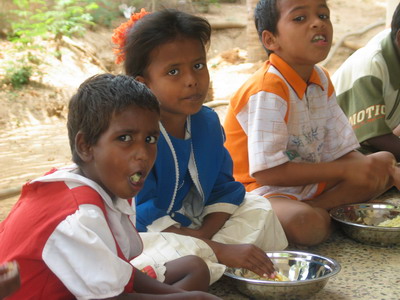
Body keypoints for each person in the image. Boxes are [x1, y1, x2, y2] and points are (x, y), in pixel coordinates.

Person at [0, 74, 221, 300]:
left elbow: (120, 273)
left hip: (87, 288)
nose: (143, 154)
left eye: (150, 139)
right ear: (86, 146)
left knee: (194, 268)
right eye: (125, 138)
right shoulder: (78, 216)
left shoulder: (95, 183)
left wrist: (180, 295)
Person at [112, 8, 288, 284]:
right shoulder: (136, 138)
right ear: (144, 84)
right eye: (173, 71)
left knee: (260, 210)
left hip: (196, 228)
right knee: (149, 254)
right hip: (146, 232)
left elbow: (224, 187)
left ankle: (208, 265)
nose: (192, 80)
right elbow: (140, 213)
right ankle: (216, 262)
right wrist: (215, 246)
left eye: (198, 65)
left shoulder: (206, 121)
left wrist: (205, 235)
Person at [223, 0, 400, 247]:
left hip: (309, 182)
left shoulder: (320, 78)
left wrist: (378, 169)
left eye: (323, 15)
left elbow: (341, 151)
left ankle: (319, 210)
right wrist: (346, 171)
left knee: (383, 162)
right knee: (307, 225)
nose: (318, 23)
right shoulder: (267, 89)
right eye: (299, 18)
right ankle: (320, 214)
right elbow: (267, 172)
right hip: (261, 192)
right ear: (271, 40)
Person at [332, 3, 400, 161]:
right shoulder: (372, 64)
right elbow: (376, 137)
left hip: (369, 146)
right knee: (382, 164)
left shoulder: (394, 49)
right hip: (339, 152)